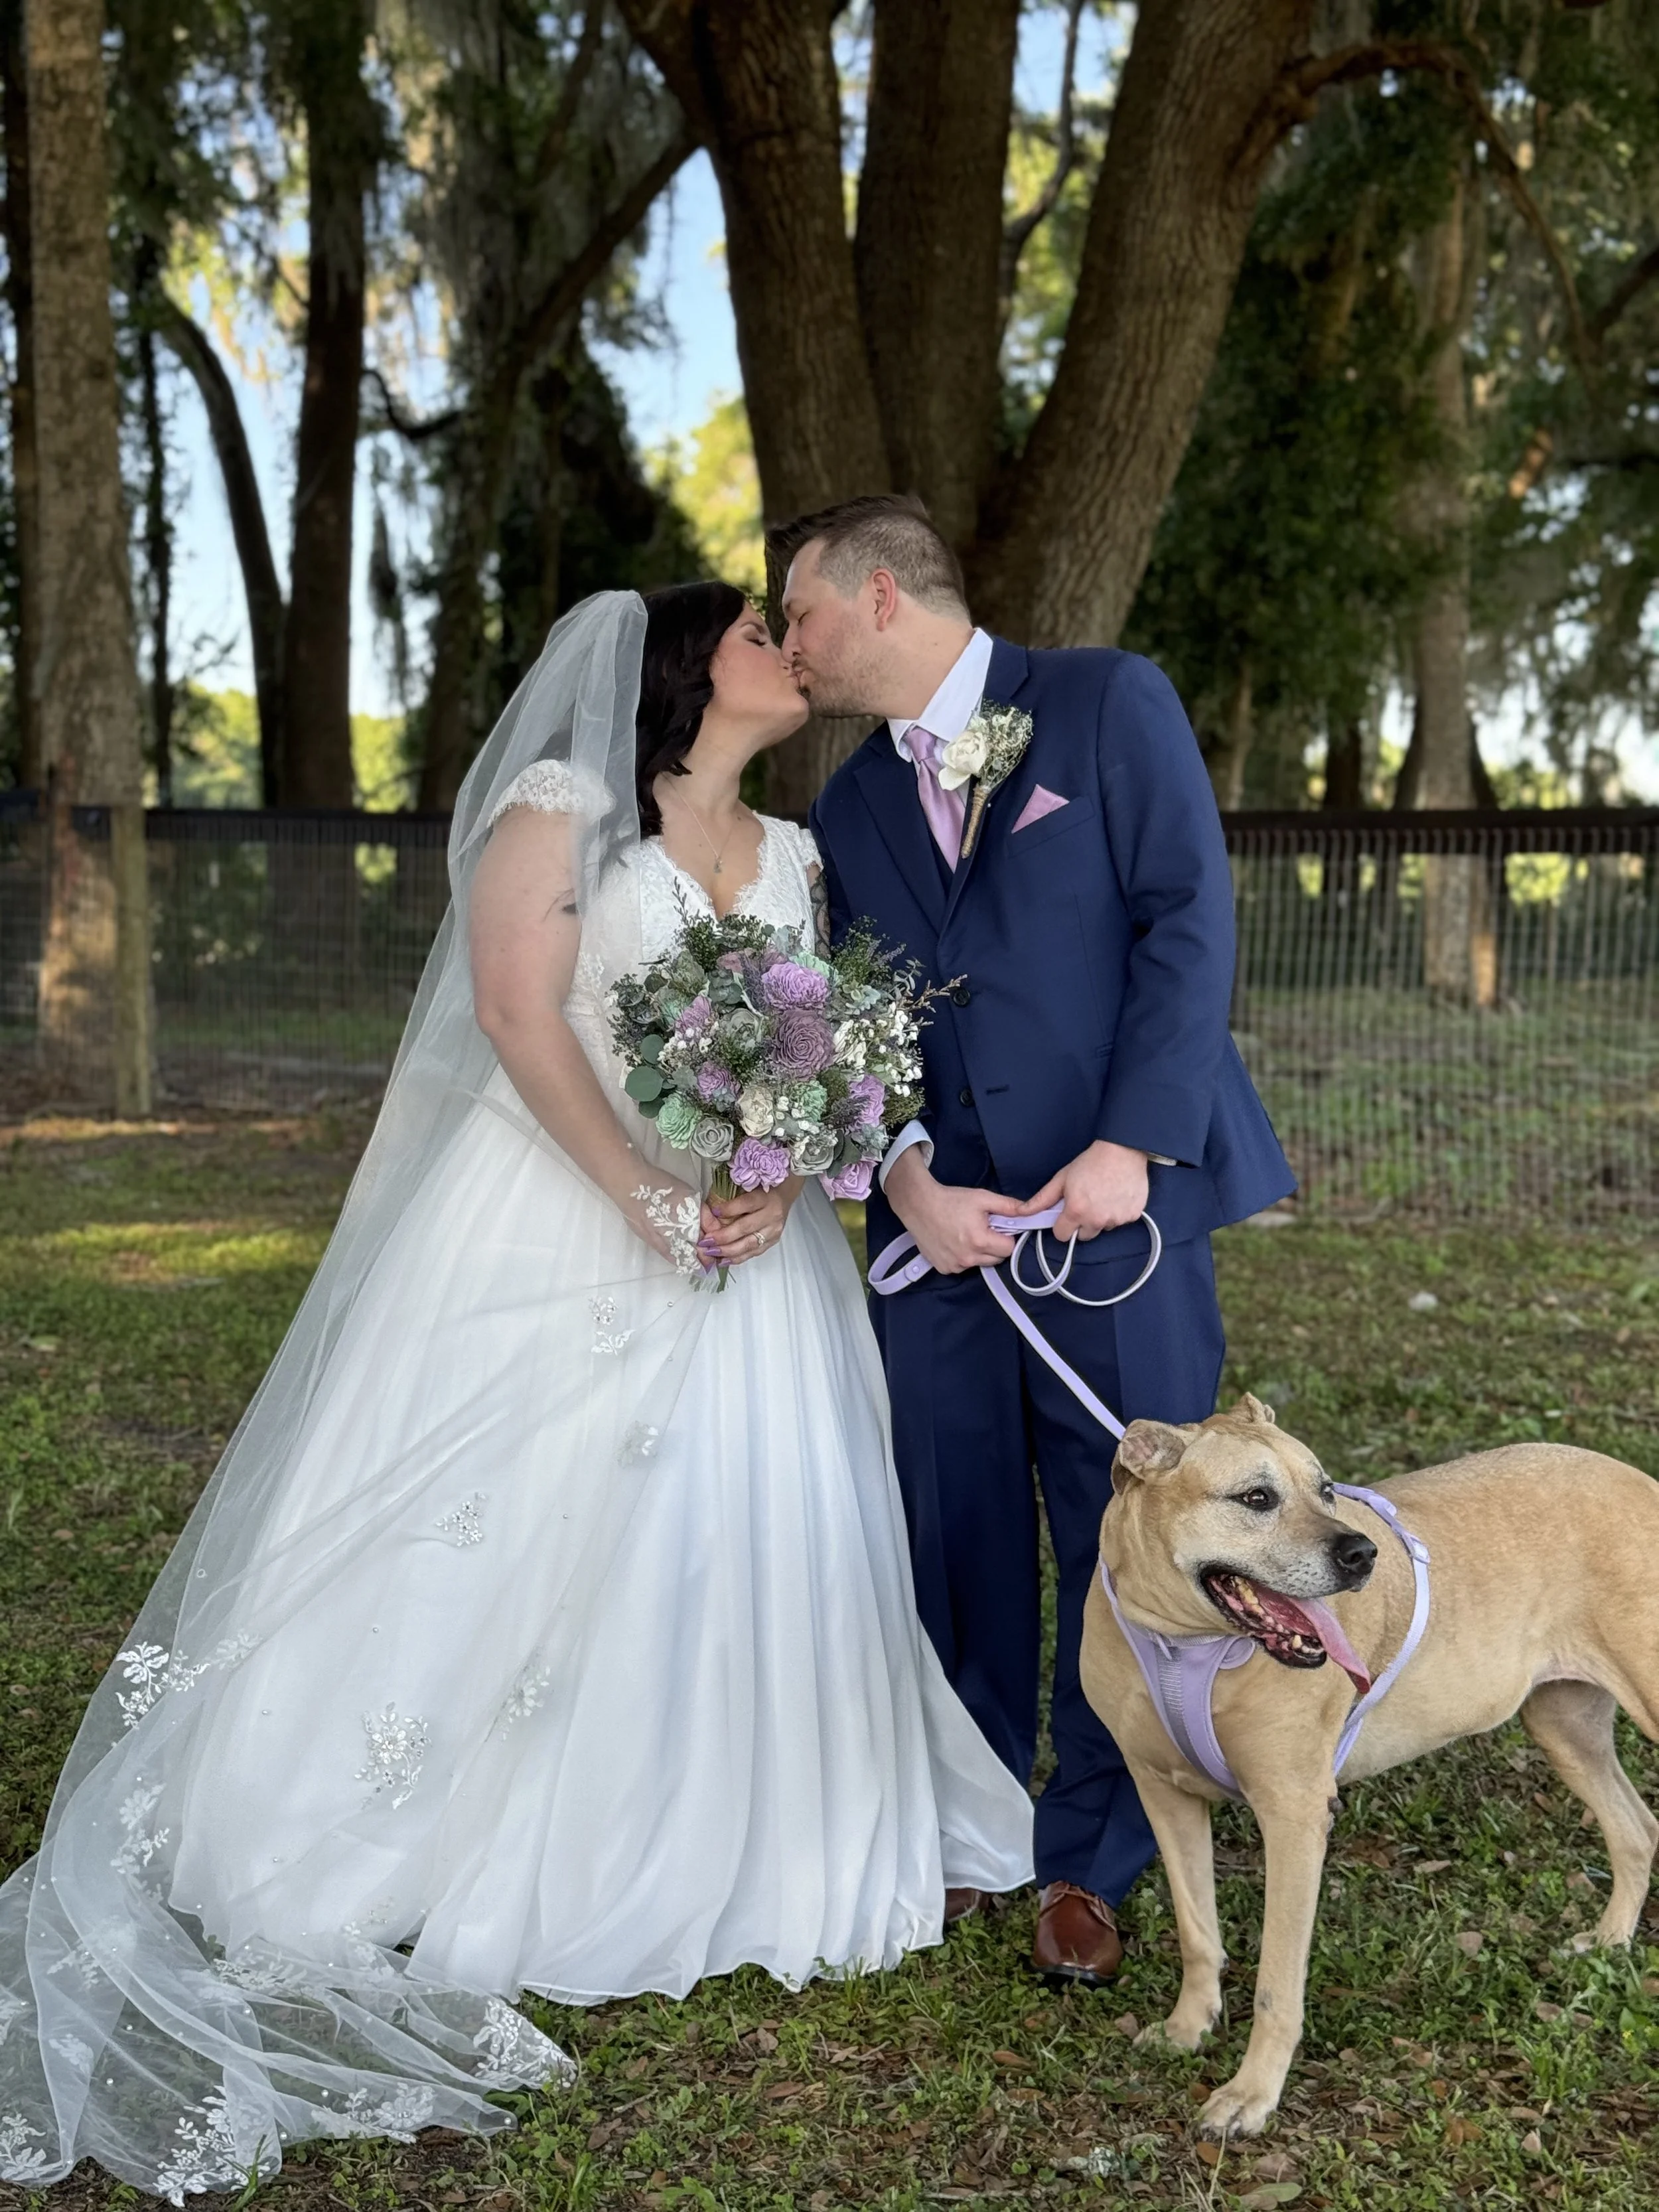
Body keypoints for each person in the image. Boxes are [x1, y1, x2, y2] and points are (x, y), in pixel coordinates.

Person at [0, 587, 1033, 2198]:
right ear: (692, 666)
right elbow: (510, 1012)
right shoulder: (565, 814)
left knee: (753, 1520)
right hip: (551, 1215)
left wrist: (787, 1166)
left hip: (752, 1256)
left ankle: (743, 1829)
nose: (797, 648)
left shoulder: (801, 854)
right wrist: (648, 1193)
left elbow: (812, 1050)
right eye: (768, 627)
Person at [787, 495, 1294, 1988]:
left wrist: (1130, 1145)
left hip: (1109, 1218)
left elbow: (1185, 921)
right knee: (951, 1525)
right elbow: (850, 1020)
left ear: (879, 596)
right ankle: (969, 1824)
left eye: (801, 613)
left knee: (1124, 1528)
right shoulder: (842, 807)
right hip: (943, 1237)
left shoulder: (1100, 701)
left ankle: (1091, 1856)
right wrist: (902, 1173)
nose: (791, 645)